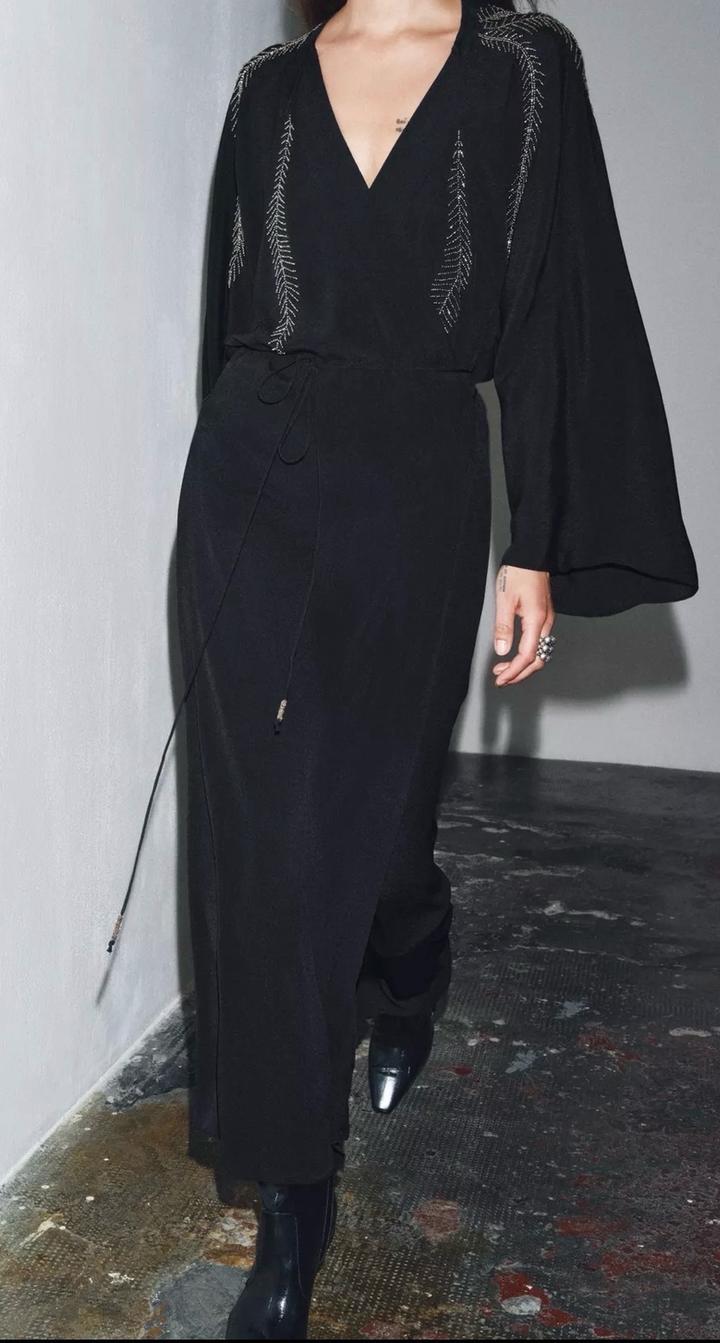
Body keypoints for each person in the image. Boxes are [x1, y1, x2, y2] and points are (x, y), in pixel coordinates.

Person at [109, 1, 698, 1337]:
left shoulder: (524, 67)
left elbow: (549, 307)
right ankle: (294, 1205)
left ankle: (412, 956)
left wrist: (535, 541)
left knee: (375, 833)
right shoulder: (269, 86)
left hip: (417, 484)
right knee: (263, 844)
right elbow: (229, 317)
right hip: (252, 482)